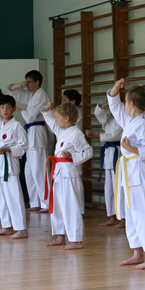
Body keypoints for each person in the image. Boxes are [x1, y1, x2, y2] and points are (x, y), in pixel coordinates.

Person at [107, 79, 145, 270]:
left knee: (144, 213)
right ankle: (138, 252)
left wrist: (130, 148)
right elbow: (113, 105)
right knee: (131, 214)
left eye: (125, 101)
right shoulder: (130, 120)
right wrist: (117, 88)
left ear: (131, 104)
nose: (122, 105)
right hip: (129, 173)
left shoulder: (144, 124)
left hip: (140, 172)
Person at [42, 101, 93, 250]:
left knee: (70, 206)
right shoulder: (63, 131)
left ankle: (76, 240)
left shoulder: (77, 134)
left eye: (58, 117)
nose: (56, 120)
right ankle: (60, 236)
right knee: (57, 206)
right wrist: (48, 110)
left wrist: (72, 156)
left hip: (69, 174)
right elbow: (51, 122)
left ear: (66, 118)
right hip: (59, 173)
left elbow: (88, 152)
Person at [0, 91, 29, 239]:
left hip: (9, 163)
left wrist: (8, 149)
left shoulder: (17, 126)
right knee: (1, 197)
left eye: (8, 107)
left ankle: (21, 229)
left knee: (13, 196)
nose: (5, 110)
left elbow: (24, 146)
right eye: (2, 107)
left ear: (14, 109)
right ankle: (6, 226)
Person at [8, 70, 50, 212]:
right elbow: (12, 92)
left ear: (37, 82)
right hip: (30, 134)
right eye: (26, 82)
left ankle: (46, 203)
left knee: (39, 170)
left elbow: (30, 117)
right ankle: (35, 202)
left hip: (37, 133)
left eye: (29, 82)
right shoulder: (32, 95)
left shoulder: (41, 95)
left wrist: (18, 109)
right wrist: (18, 85)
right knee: (29, 172)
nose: (27, 85)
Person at [86, 100, 124, 228]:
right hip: (108, 156)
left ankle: (122, 218)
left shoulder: (122, 119)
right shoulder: (110, 120)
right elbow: (98, 113)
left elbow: (113, 135)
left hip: (117, 155)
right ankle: (112, 216)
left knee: (118, 188)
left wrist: (94, 134)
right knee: (108, 189)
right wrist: (108, 103)